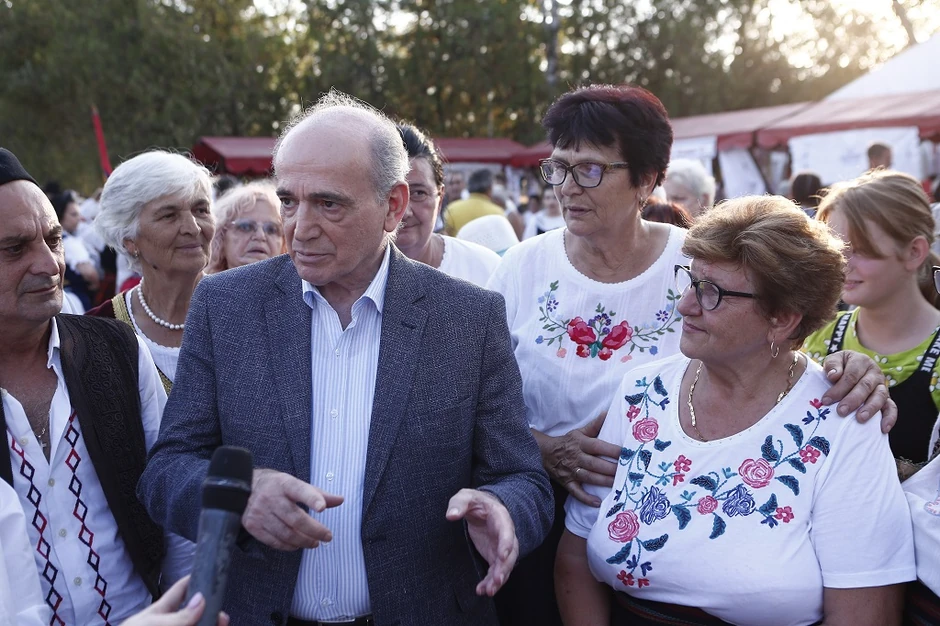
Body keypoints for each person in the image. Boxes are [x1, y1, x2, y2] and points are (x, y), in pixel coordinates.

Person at [486, 84, 899, 626]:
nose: (566, 186)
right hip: (550, 511)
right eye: (558, 167)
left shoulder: (707, 257)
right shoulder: (521, 270)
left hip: (676, 521)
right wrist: (545, 450)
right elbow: (477, 401)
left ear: (647, 179)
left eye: (589, 170)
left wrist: (854, 368)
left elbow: (789, 335)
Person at [138, 91, 554, 626]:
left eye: (328, 204)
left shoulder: (467, 319)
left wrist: (503, 510)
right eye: (289, 201)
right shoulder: (226, 306)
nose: (299, 227)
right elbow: (166, 471)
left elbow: (523, 479)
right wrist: (237, 497)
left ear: (394, 206)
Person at [557, 196, 915, 626]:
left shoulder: (843, 421)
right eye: (691, 281)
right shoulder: (642, 392)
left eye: (712, 293)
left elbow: (864, 611)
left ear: (782, 318)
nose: (685, 305)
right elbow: (574, 558)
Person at [0, 148, 172, 624]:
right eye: (14, 249)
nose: (48, 264)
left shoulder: (117, 349)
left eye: (54, 240)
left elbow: (168, 491)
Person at [804, 170, 940, 480]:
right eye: (835, 250)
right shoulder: (818, 336)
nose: (843, 263)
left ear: (914, 252)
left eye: (861, 250)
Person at [87, 150, 216, 394]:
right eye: (169, 216)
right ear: (129, 239)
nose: (193, 228)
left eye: (201, 210)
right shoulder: (98, 332)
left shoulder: (247, 313)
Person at [395, 123, 502, 287]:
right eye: (392, 196)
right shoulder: (353, 277)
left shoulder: (485, 269)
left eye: (419, 193)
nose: (405, 212)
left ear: (440, 197)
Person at [206, 182, 286, 274]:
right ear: (220, 238)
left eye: (271, 229)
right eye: (246, 227)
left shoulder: (297, 282)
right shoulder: (201, 283)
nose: (260, 236)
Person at [444, 168, 511, 236]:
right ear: (489, 188)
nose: (455, 187)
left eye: (458, 182)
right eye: (451, 183)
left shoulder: (451, 209)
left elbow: (444, 237)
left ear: (466, 185)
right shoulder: (498, 213)